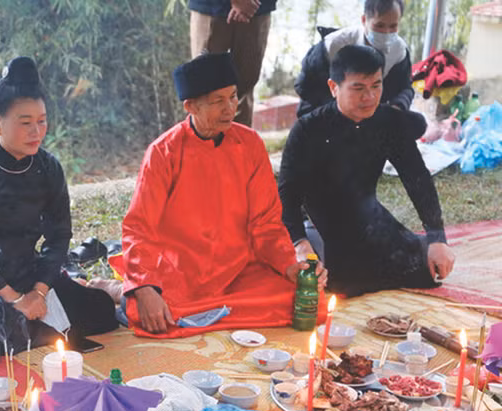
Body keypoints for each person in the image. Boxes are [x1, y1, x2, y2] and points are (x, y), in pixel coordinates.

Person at [113, 53, 326, 338]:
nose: (230, 108)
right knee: (151, 311)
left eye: (233, 97)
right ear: (191, 106)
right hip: (181, 272)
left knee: (306, 300)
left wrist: (289, 265)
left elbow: (266, 223)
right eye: (218, 101)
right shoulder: (163, 153)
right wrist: (144, 287)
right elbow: (140, 227)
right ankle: (121, 290)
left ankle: (201, 309)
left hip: (239, 270)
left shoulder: (250, 144)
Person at [0, 57, 119, 363]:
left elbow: (59, 234)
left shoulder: (48, 167)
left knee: (100, 313)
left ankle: (94, 288)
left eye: (42, 121)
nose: (36, 131)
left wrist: (39, 291)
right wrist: (15, 298)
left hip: (28, 272)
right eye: (25, 123)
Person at [279, 45, 456, 298]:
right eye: (358, 88)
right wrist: (299, 243)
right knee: (337, 282)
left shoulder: (389, 122)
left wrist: (437, 237)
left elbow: (417, 177)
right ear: (334, 87)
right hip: (321, 224)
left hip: (369, 218)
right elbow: (287, 195)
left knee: (428, 268)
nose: (370, 97)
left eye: (376, 86)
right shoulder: (308, 129)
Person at [294, 0, 414, 117]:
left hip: (370, 119)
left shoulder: (399, 52)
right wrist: (341, 110)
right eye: (379, 25)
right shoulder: (334, 45)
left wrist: (397, 106)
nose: (386, 32)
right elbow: (304, 86)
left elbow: (404, 88)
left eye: (393, 26)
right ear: (364, 20)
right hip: (324, 115)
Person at [189, 0, 277, 126]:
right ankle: (201, 139)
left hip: (257, 9)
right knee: (204, 90)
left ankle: (239, 139)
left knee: (244, 91)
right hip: (211, 7)